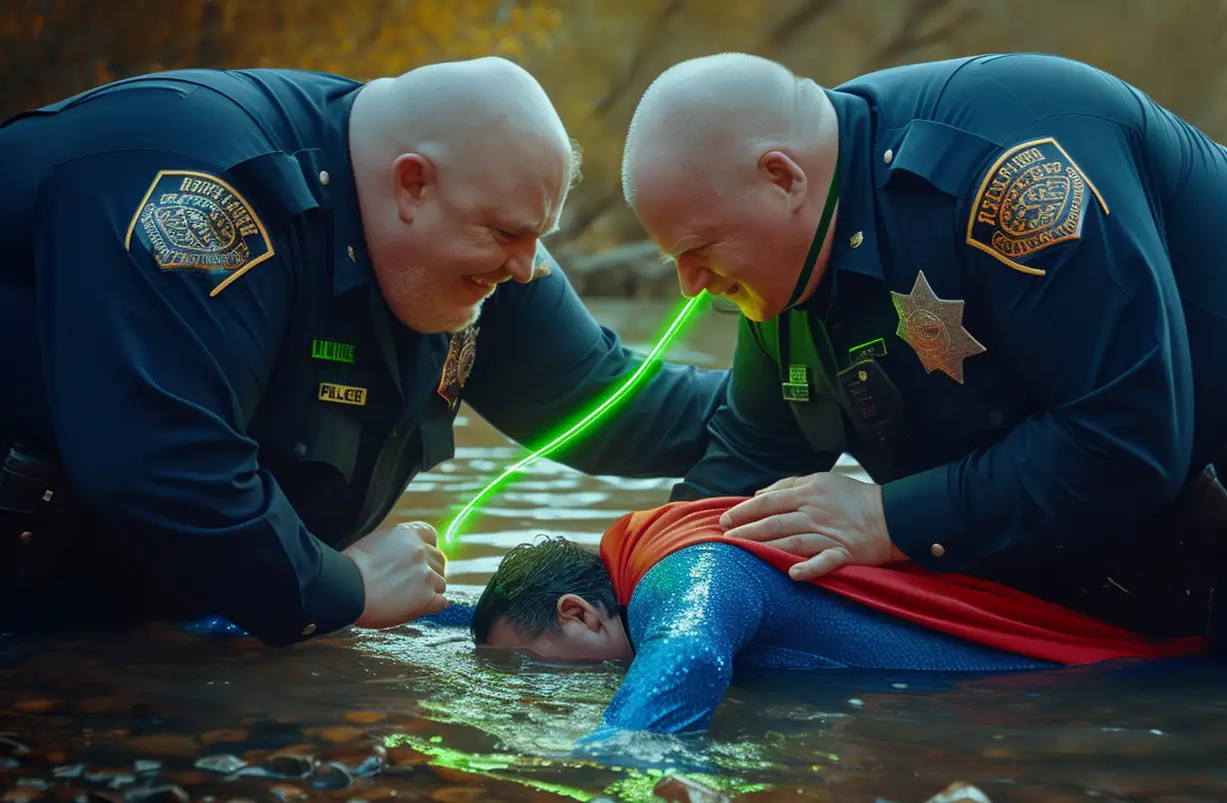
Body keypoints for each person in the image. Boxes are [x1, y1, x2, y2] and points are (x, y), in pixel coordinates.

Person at [621, 51, 1227, 675]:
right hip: (1153, 456)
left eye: (698, 251)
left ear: (782, 178)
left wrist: (885, 519)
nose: (692, 289)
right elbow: (740, 474)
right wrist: (620, 598)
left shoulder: (1013, 178)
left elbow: (1122, 440)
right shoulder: (779, 268)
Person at [0, 60, 727, 645]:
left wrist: (807, 400)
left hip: (155, 625)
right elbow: (160, 458)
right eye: (508, 235)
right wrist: (342, 588)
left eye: (539, 237)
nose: (525, 268)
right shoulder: (200, 194)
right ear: (411, 183)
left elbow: (613, 402)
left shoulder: (474, 236)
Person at [469, 494, 1199, 738]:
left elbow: (687, 656)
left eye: (532, 665)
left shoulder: (689, 571)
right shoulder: (654, 560)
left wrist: (610, 762)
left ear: (579, 612)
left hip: (1103, 693)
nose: (535, 688)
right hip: (1080, 689)